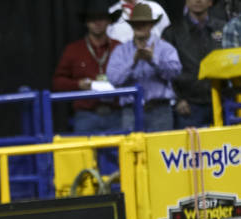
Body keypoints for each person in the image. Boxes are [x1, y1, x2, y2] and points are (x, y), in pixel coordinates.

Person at [107, 2, 182, 133]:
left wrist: (153, 61)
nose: (139, 26)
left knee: (160, 151)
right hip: (131, 111)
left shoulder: (165, 48)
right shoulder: (121, 50)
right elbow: (113, 79)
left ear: (151, 25)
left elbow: (176, 72)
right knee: (131, 152)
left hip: (160, 110)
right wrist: (133, 62)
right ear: (131, 25)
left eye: (144, 23)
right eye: (136, 23)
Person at [52, 2, 123, 133]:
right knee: (85, 153)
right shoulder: (73, 50)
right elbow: (58, 82)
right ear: (86, 22)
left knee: (121, 153)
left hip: (116, 114)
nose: (97, 22)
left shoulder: (119, 47)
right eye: (92, 19)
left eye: (101, 18)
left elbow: (132, 77)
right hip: (86, 115)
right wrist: (78, 84)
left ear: (109, 21)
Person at [162, 0, 225, 129]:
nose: (198, 0)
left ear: (211, 2)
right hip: (188, 106)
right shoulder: (172, 32)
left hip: (222, 101)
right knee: (191, 148)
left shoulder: (223, 28)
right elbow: (165, 71)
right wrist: (177, 100)